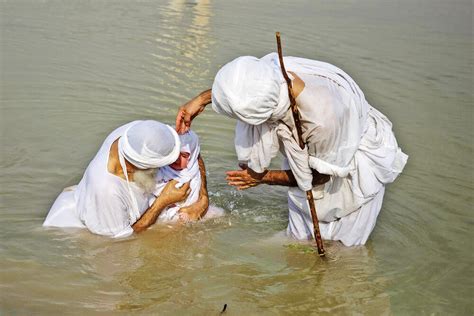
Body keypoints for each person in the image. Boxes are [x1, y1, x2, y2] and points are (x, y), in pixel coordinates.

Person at [175, 53, 408, 246]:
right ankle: (296, 241)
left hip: (348, 162)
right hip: (306, 148)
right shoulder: (267, 72)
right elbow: (238, 87)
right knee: (300, 225)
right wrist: (201, 100)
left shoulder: (323, 119)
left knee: (343, 248)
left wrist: (262, 177)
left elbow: (318, 176)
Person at [43, 120, 209, 238]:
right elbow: (123, 241)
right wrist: (163, 202)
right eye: (169, 161)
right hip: (90, 229)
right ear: (146, 166)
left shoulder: (137, 134)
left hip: (132, 211)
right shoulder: (107, 190)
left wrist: (203, 198)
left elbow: (192, 149)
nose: (178, 163)